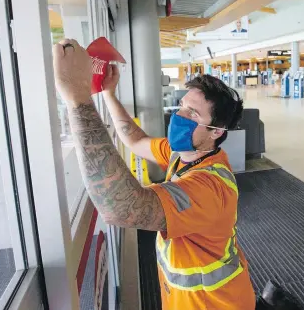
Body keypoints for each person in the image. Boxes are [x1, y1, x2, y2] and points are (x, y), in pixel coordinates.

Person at [53, 39, 255, 310]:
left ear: (216, 132)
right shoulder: (181, 154)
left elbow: (120, 208)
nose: (179, 115)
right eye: (182, 105)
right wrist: (108, 94)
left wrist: (78, 100)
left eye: (192, 114)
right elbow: (135, 140)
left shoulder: (210, 188)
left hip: (216, 303)